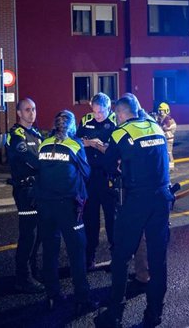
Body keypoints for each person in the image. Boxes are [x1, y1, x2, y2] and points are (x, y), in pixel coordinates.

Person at [95, 94, 174, 328]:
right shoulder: (155, 127)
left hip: (137, 201)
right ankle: (153, 316)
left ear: (120, 114)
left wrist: (118, 164)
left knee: (120, 257)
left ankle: (114, 316)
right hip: (161, 199)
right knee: (158, 261)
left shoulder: (120, 133)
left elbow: (108, 164)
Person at [36, 110, 99, 314]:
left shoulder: (44, 144)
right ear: (71, 127)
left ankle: (52, 295)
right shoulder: (74, 144)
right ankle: (82, 298)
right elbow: (86, 172)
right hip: (68, 206)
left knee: (50, 252)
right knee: (76, 252)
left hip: (45, 205)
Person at [6, 98, 44, 293]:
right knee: (28, 235)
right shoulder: (16, 135)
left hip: (38, 189)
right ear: (19, 113)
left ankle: (33, 271)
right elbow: (34, 160)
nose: (32, 113)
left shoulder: (35, 134)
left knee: (37, 235)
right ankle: (23, 277)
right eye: (27, 110)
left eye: (34, 109)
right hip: (25, 191)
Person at [76, 92, 117, 270]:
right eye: (95, 112)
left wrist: (100, 146)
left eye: (101, 112)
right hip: (90, 178)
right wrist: (86, 143)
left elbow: (116, 150)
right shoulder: (86, 121)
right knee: (90, 219)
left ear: (108, 108)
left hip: (108, 177)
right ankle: (89, 256)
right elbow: (76, 141)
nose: (97, 115)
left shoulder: (115, 124)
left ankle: (116, 257)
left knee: (112, 220)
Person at [156, 102, 177, 171]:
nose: (161, 112)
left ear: (166, 111)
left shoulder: (169, 120)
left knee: (168, 152)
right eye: (160, 110)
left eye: (163, 110)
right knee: (162, 153)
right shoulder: (159, 119)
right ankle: (164, 166)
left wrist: (165, 128)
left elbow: (171, 127)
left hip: (168, 139)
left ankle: (171, 167)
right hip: (162, 139)